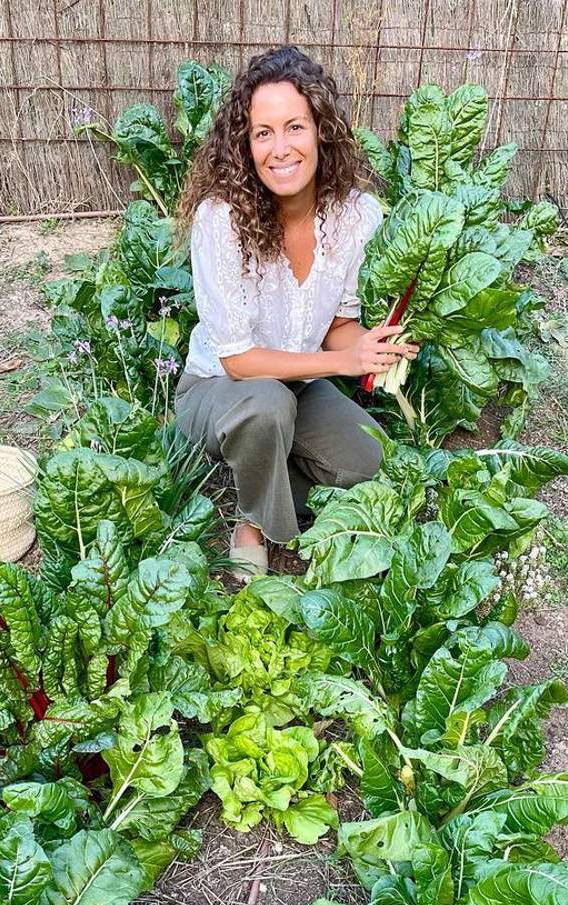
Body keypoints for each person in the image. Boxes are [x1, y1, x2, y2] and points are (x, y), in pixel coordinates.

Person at [174, 46, 418, 580]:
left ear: (320, 132)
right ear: (245, 145)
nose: (280, 148)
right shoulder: (221, 221)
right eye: (263, 133)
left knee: (369, 464)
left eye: (294, 127)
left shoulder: (357, 215)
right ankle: (253, 524)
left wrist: (371, 348)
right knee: (263, 406)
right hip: (219, 388)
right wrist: (343, 365)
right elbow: (238, 361)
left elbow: (337, 324)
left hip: (298, 387)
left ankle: (256, 466)